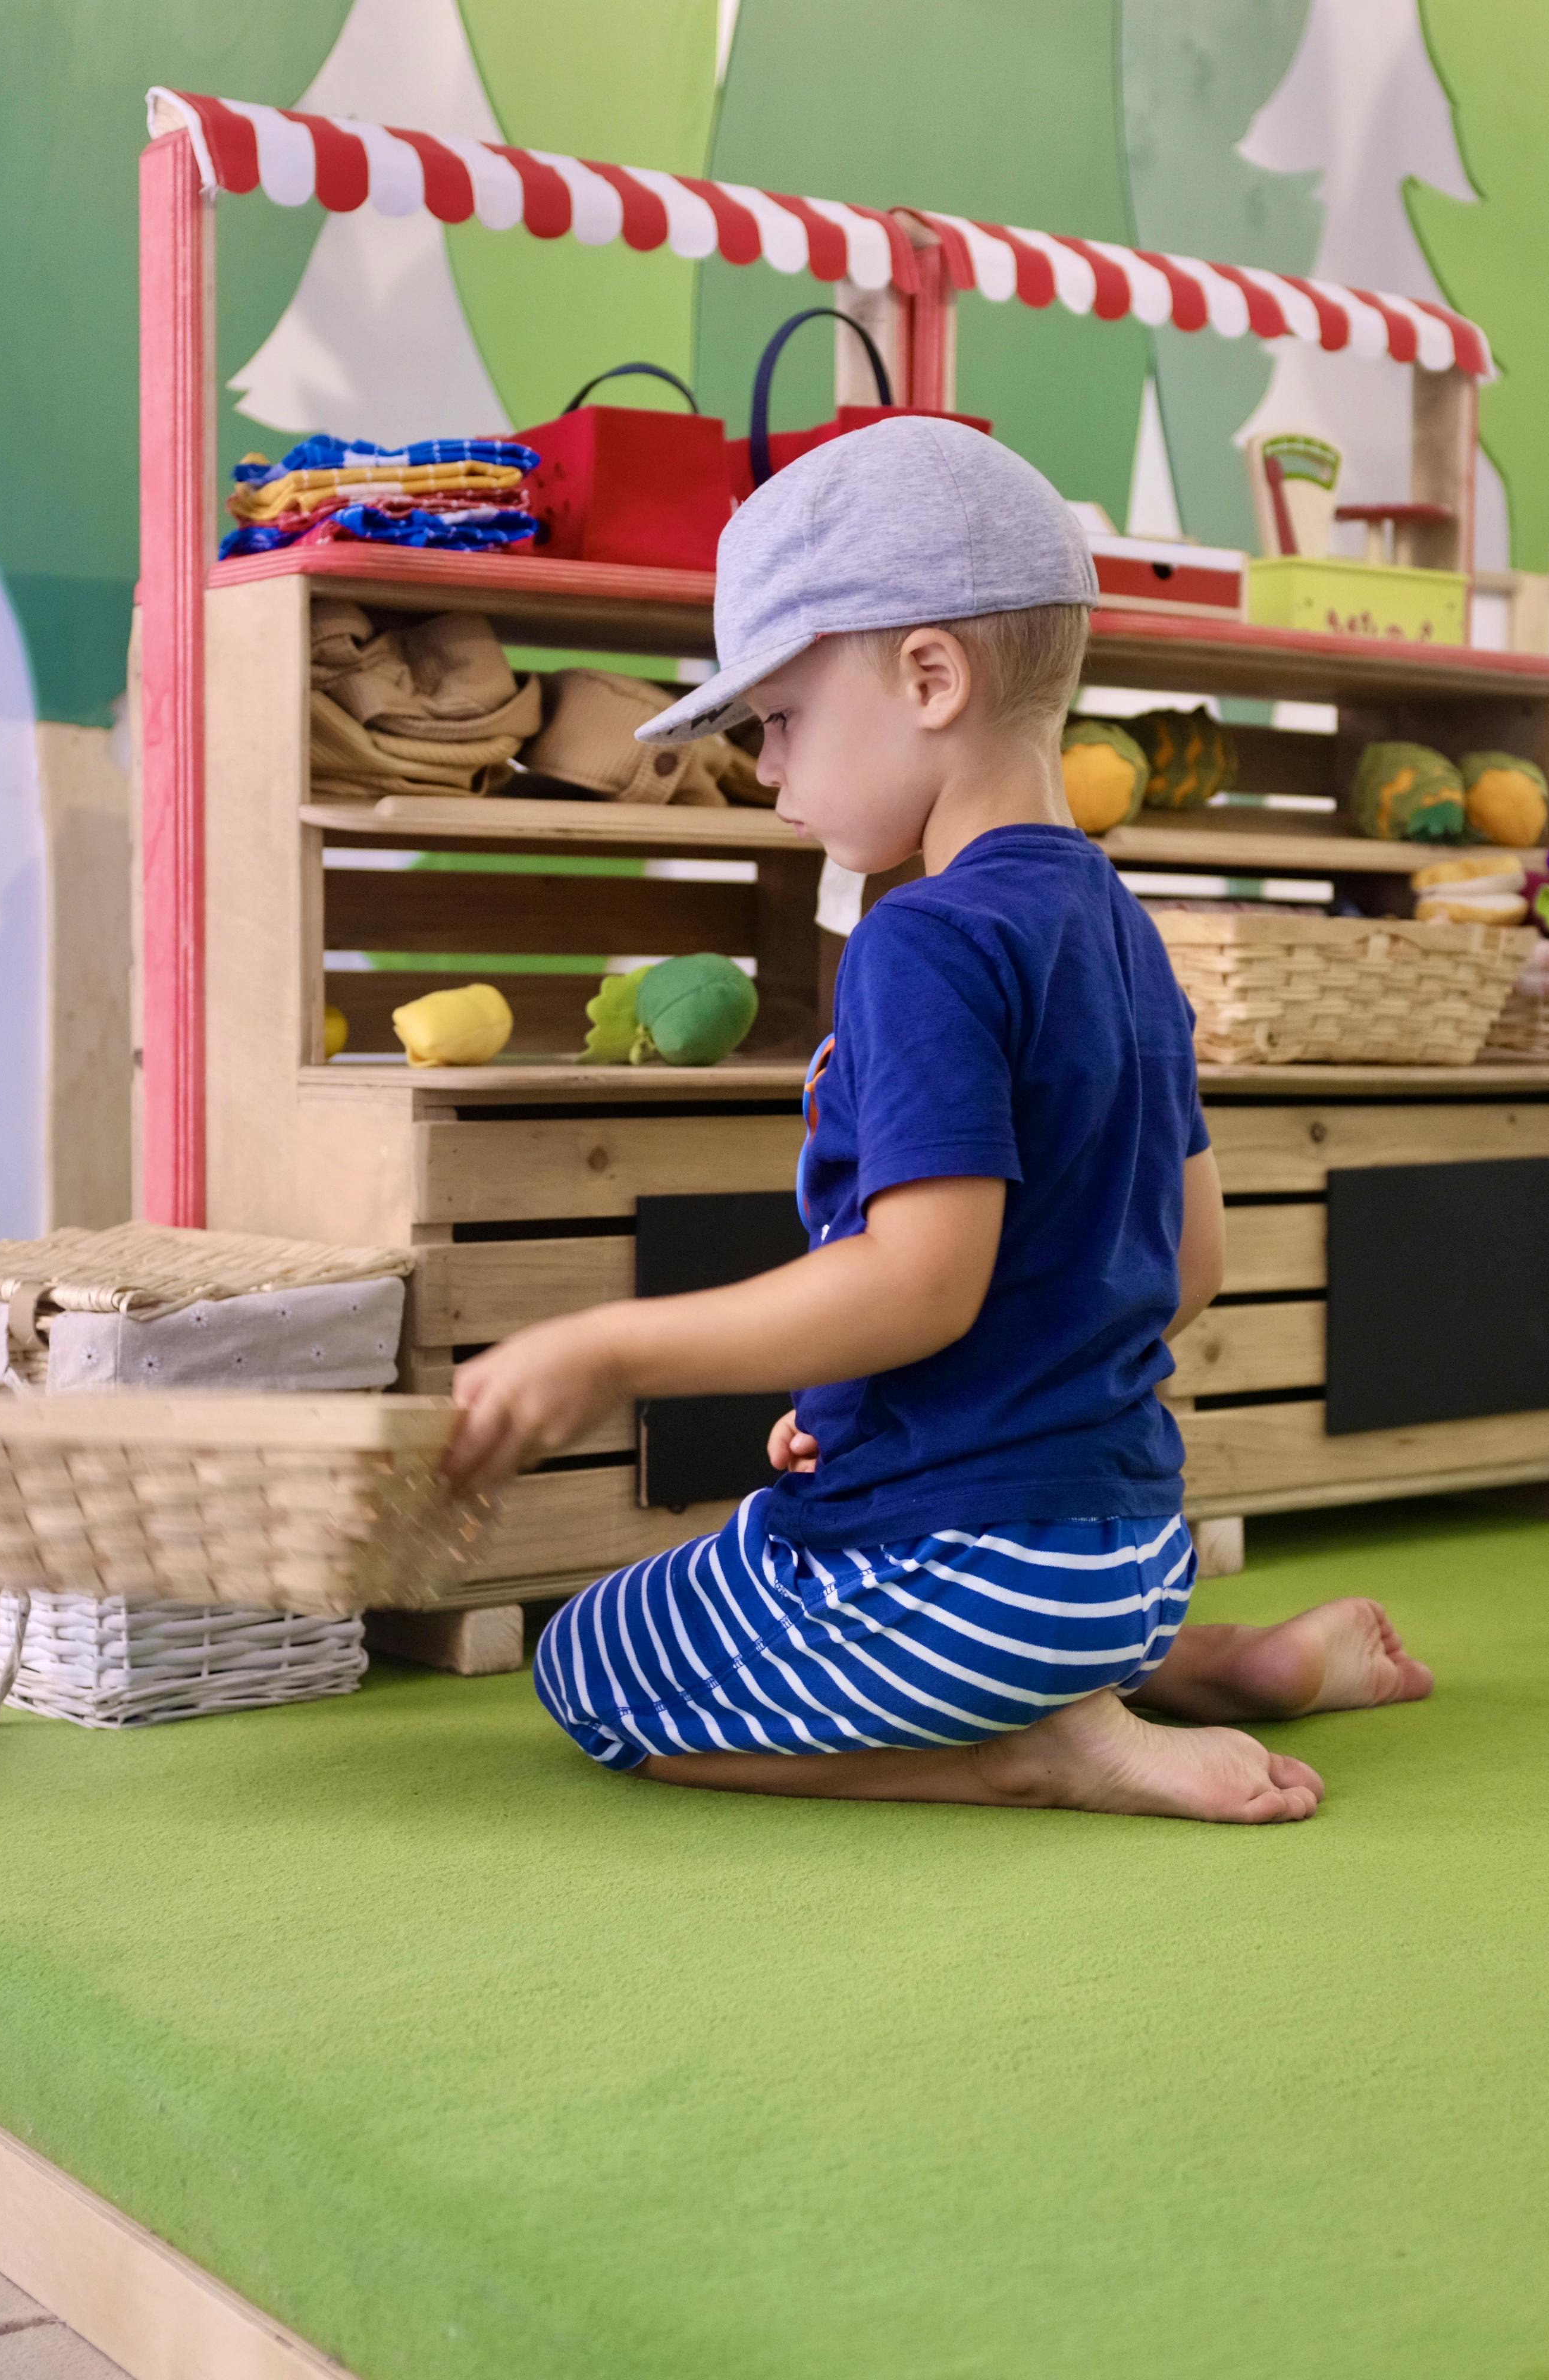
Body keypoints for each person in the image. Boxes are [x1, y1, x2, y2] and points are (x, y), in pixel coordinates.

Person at [441, 418, 1431, 1824]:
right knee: (866, 1569)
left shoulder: (922, 940)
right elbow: (1186, 1262)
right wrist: (869, 1403)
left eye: (782, 719)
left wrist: (612, 1347)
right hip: (1132, 1558)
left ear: (928, 677)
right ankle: (1189, 1661)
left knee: (590, 1663)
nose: (768, 770)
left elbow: (921, 1283)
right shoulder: (1122, 928)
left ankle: (1025, 1753)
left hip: (972, 1577)